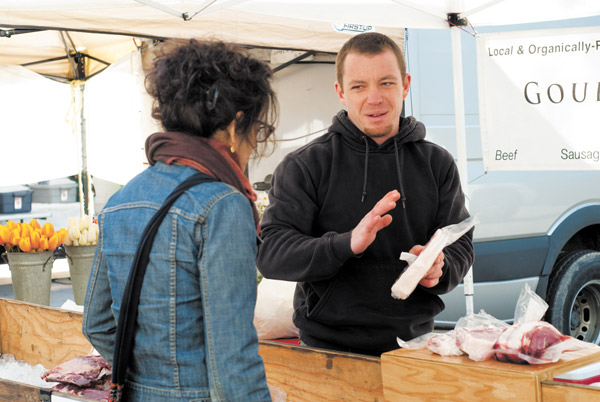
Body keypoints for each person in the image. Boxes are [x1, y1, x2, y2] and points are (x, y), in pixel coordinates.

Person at [83, 39, 277, 401]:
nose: (255, 142)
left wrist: (150, 380)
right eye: (257, 128)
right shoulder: (223, 204)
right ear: (235, 126)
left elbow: (96, 323)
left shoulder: (122, 200)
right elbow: (233, 362)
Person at [256, 32, 474, 357]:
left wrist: (439, 268)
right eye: (359, 86)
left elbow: (460, 244)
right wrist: (347, 243)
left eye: (386, 83)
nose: (374, 98)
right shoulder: (306, 165)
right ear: (341, 92)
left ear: (405, 85)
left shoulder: (436, 163)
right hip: (327, 351)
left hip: (415, 349)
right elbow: (272, 254)